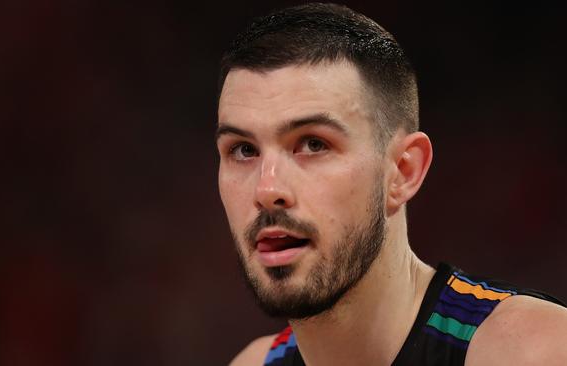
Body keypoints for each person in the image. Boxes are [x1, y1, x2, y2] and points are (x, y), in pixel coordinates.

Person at [214, 3, 567, 366]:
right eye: (243, 150)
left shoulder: (534, 351)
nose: (267, 190)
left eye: (313, 144)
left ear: (403, 170)